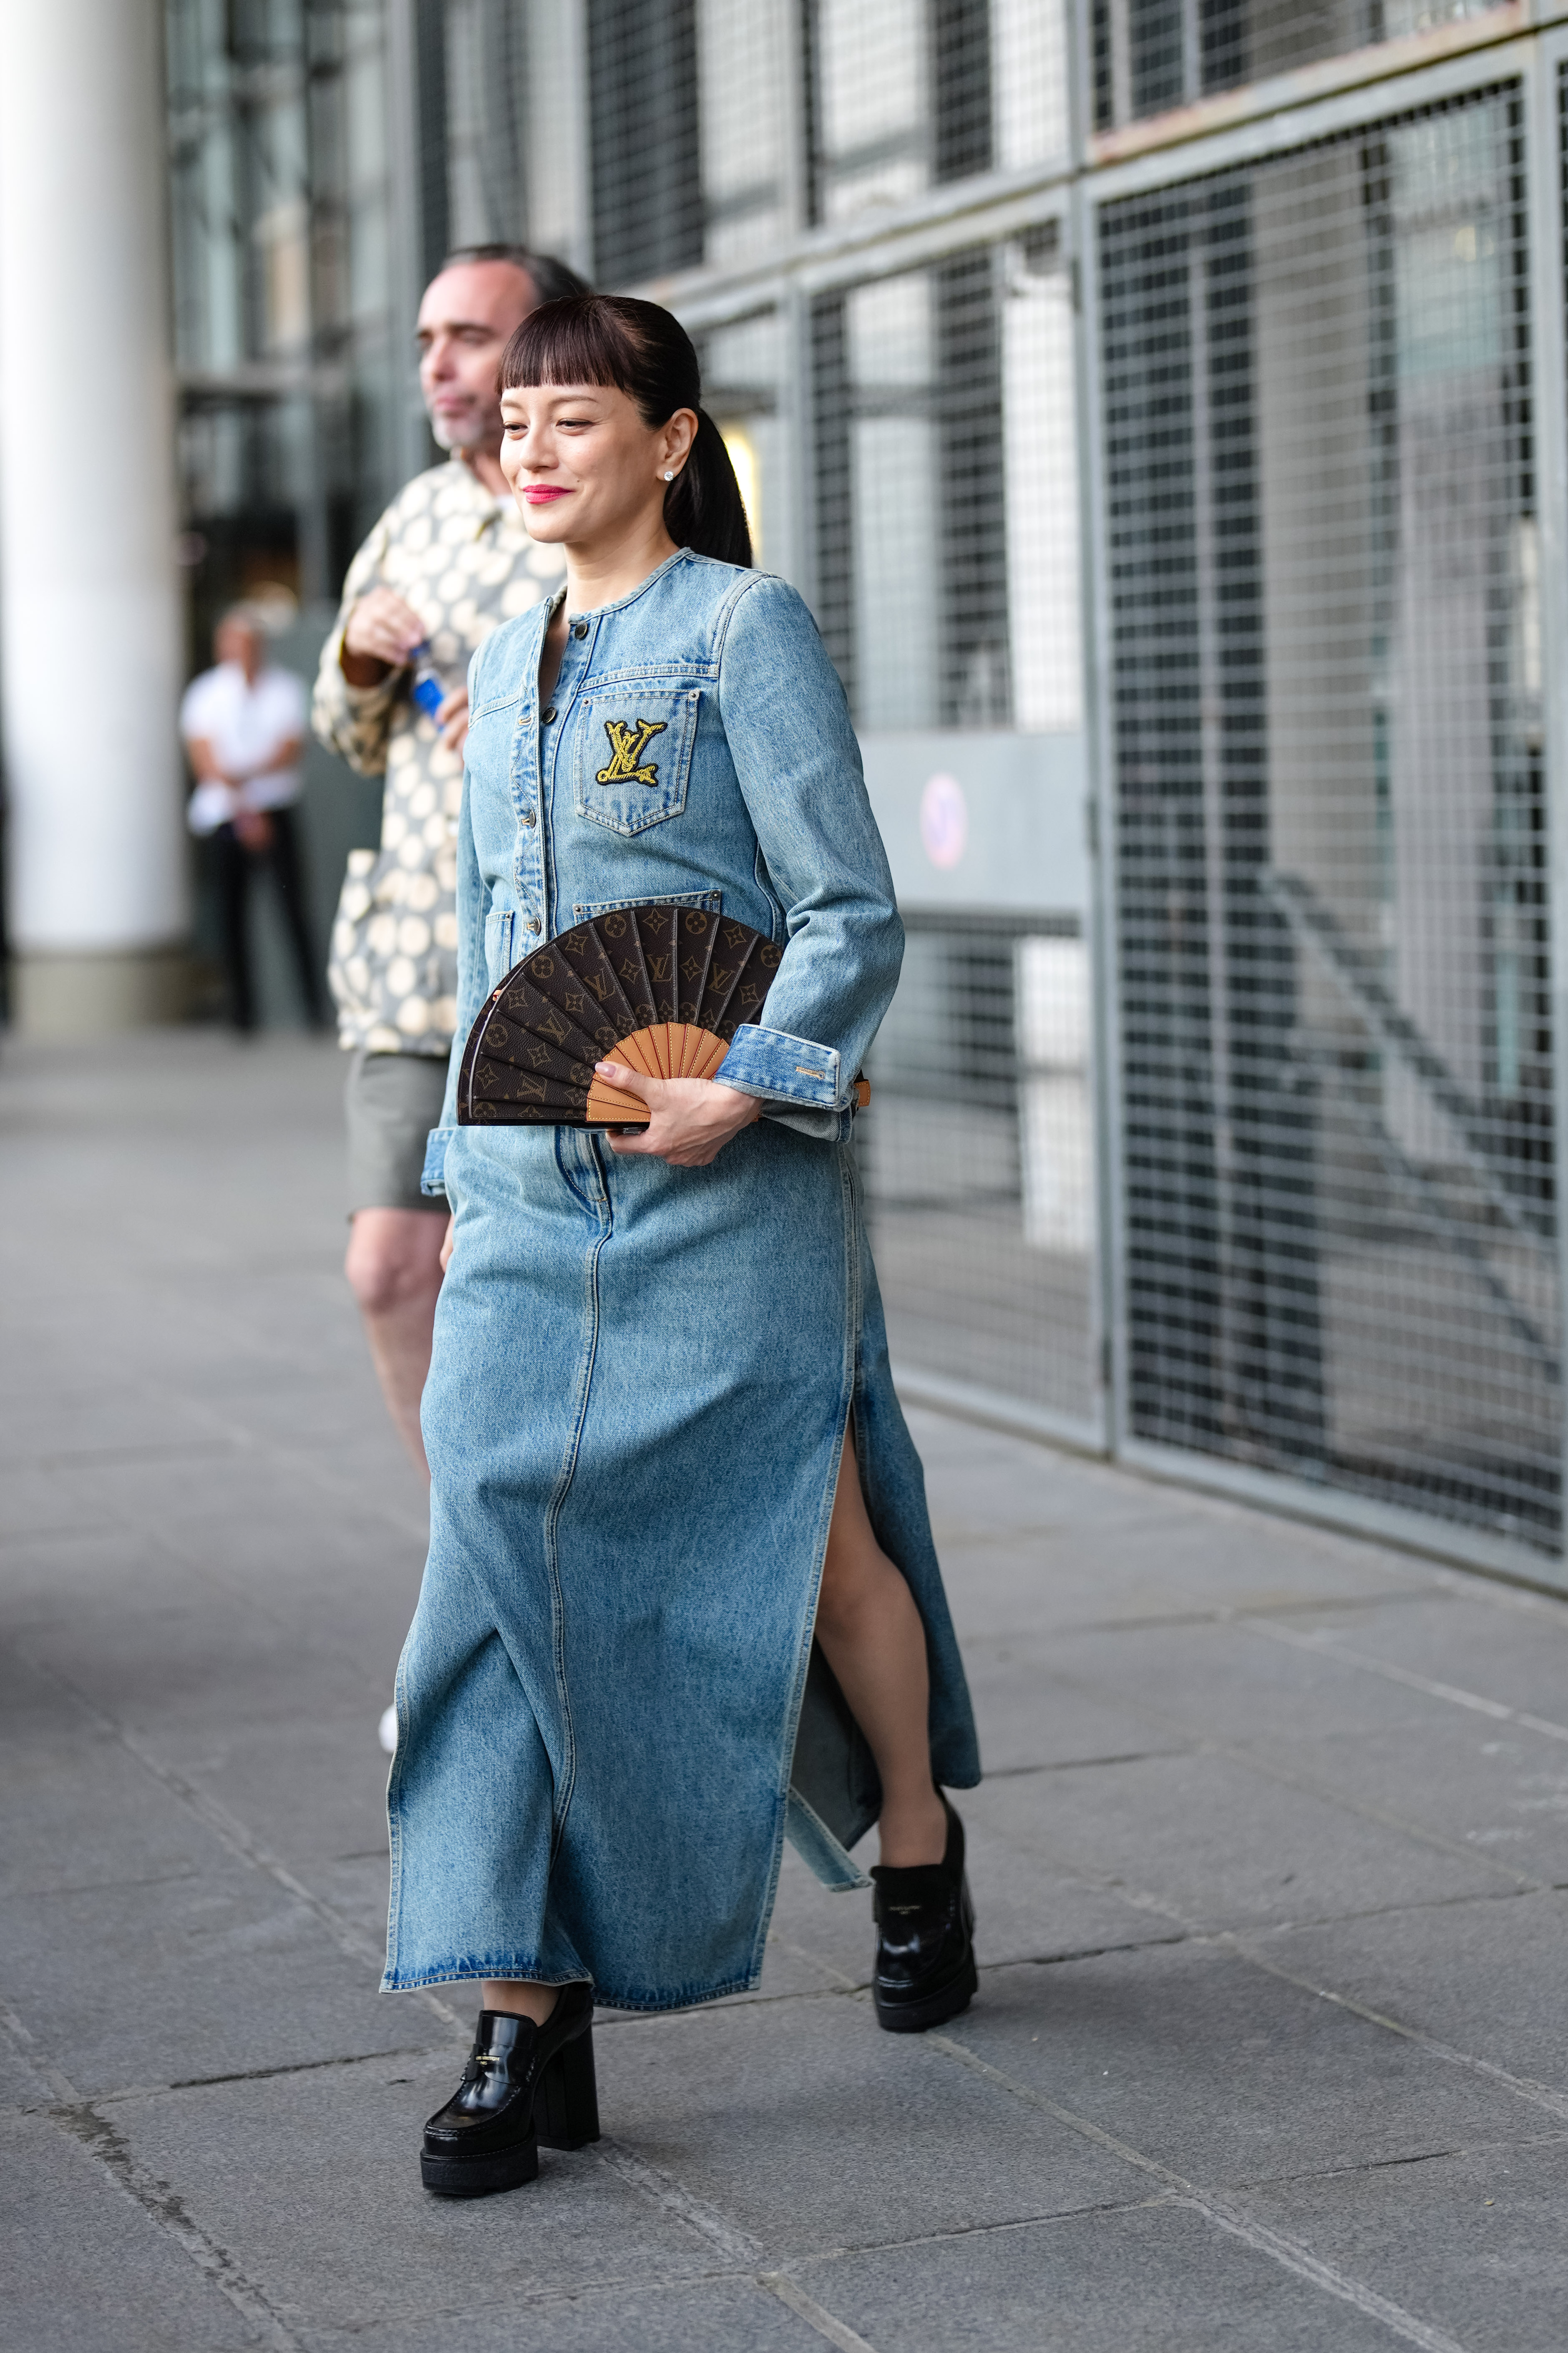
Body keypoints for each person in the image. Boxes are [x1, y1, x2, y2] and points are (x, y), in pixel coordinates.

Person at [392, 294, 982, 2199]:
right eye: (517, 422)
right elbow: (501, 954)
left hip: (728, 1176)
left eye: (577, 414)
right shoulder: (500, 657)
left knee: (811, 1549)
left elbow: (847, 904)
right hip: (526, 1193)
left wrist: (758, 1075)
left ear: (668, 437)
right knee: (488, 1572)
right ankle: (518, 2008)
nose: (534, 444)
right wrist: (461, 1156)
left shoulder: (745, 627)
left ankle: (911, 1838)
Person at [312, 245, 589, 1537]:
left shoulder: (596, 501)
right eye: (428, 337)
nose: (437, 363)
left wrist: (547, 718)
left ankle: (557, 1579)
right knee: (385, 1272)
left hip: (555, 968)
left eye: (470, 335)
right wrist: (359, 660)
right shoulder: (413, 511)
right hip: (411, 961)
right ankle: (470, 1563)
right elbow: (346, 728)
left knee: (535, 1292)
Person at [182, 605, 325, 1032]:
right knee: (233, 915)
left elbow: (288, 748)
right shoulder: (205, 694)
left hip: (276, 810)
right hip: (227, 813)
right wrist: (245, 803)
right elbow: (205, 760)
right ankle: (242, 1017)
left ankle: (312, 1010)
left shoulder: (285, 689)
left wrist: (244, 782)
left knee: (292, 910)